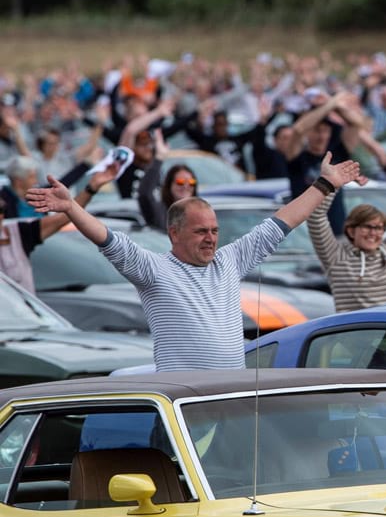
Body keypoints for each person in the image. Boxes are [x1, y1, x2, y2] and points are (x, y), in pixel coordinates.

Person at [28, 153, 365, 370]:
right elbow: (106, 237)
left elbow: (283, 221)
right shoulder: (153, 269)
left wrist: (325, 184)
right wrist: (72, 208)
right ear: (174, 234)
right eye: (201, 231)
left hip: (229, 396)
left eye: (215, 231)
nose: (211, 238)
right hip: (183, 403)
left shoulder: (229, 260)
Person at [1, 158, 119, 293]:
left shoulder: (17, 232)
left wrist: (90, 187)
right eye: (31, 176)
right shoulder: (9, 202)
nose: (35, 181)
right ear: (18, 181)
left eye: (2, 210)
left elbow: (64, 213)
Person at [307, 196, 386, 312]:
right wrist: (334, 182)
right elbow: (315, 216)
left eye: (379, 228)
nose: (373, 233)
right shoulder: (335, 255)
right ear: (351, 231)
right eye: (367, 227)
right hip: (357, 329)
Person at [140, 163, 198, 230]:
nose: (185, 186)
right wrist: (157, 160)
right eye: (180, 182)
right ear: (169, 185)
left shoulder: (200, 212)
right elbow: (144, 194)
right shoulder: (159, 211)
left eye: (191, 182)